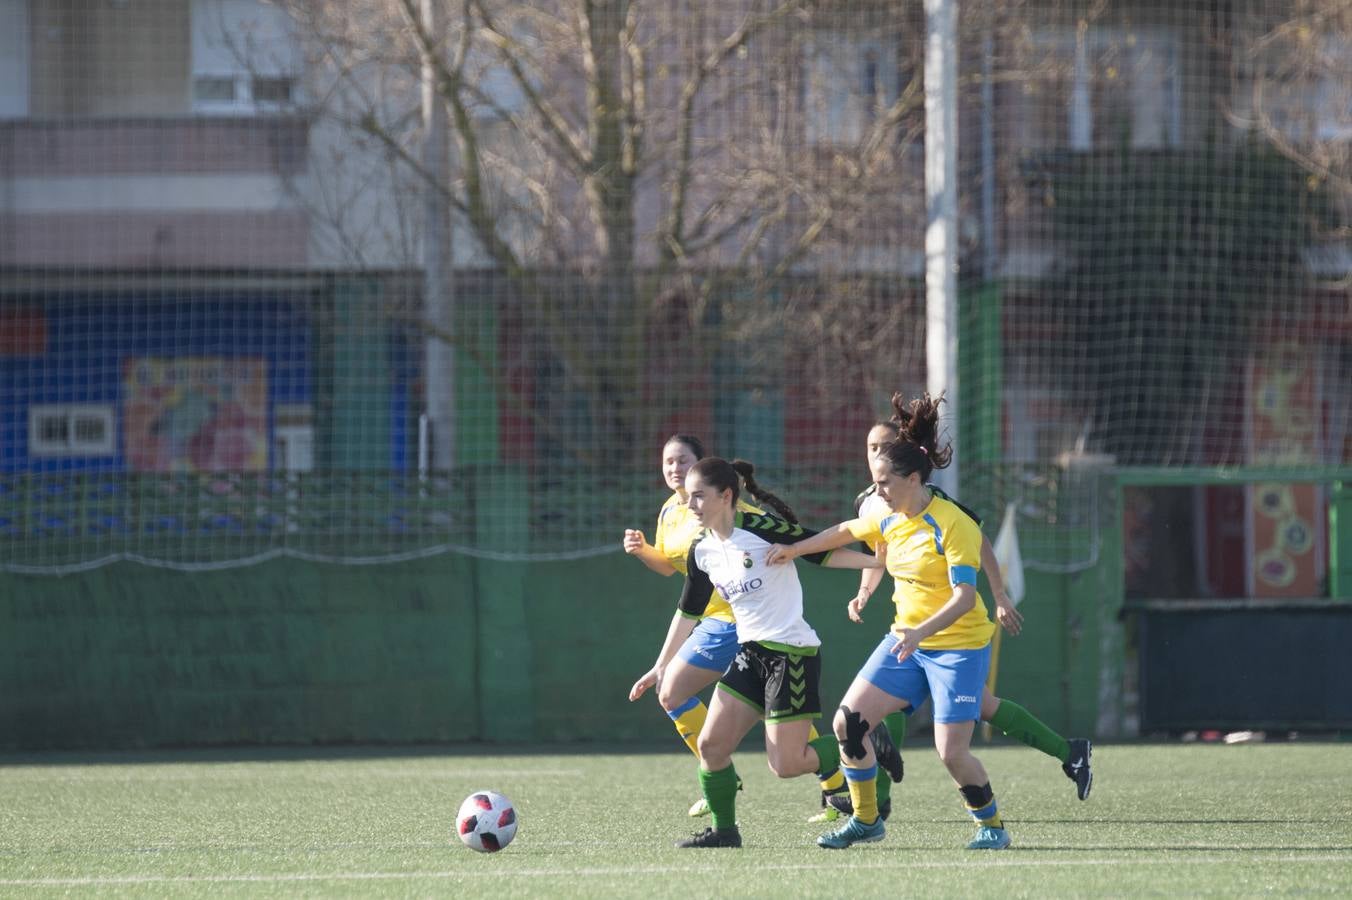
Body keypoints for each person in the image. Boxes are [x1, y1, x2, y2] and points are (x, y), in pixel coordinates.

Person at [767, 393, 1012, 850]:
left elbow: (964, 598)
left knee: (951, 752)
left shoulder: (953, 523)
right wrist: (795, 550)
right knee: (848, 724)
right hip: (907, 641)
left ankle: (992, 825)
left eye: (885, 483)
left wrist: (922, 632)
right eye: (875, 482)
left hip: (957, 644)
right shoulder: (887, 514)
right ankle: (866, 820)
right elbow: (844, 530)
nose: (877, 492)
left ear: (914, 479)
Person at [631, 457, 897, 848]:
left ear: (726, 496)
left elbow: (818, 550)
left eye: (699, 497)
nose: (690, 506)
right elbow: (687, 611)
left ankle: (864, 744)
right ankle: (725, 832)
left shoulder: (760, 528)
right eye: (688, 498)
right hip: (749, 653)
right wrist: (660, 665)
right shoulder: (702, 551)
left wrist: (877, 560)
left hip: (791, 653)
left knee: (786, 765)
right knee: (711, 746)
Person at [831, 415, 1092, 806]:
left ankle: (879, 800)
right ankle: (1070, 752)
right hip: (910, 622)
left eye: (884, 447)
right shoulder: (869, 501)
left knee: (900, 709)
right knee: (980, 705)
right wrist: (864, 593)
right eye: (871, 448)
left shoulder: (930, 500)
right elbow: (878, 558)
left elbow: (979, 541)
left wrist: (1000, 596)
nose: (876, 455)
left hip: (951, 630)